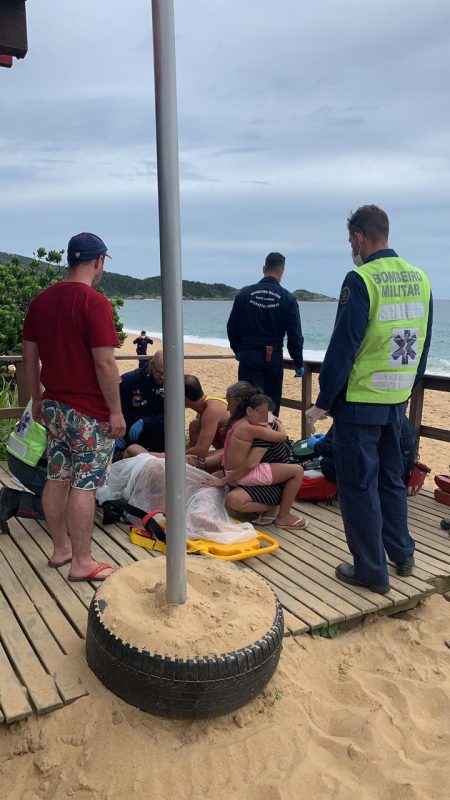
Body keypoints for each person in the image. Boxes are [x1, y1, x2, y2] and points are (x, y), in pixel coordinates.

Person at [305, 205, 433, 594]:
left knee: (359, 487)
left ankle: (371, 571)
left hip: (360, 403)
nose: (351, 249)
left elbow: (344, 346)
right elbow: (423, 343)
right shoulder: (421, 279)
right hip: (397, 401)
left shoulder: (361, 279)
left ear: (359, 236)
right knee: (391, 481)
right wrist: (408, 389)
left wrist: (323, 401)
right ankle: (403, 553)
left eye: (350, 241)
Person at [22, 232, 126, 581]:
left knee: (57, 476)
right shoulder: (94, 303)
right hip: (88, 411)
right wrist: (115, 411)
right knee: (84, 484)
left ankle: (60, 549)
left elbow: (29, 358)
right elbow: (105, 365)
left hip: (53, 404)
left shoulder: (40, 302)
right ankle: (82, 561)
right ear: (98, 262)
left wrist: (37, 399)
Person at [204, 391, 307, 529]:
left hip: (236, 473)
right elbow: (281, 437)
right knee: (298, 470)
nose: (265, 419)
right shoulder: (255, 428)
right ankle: (283, 515)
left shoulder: (239, 422)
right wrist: (278, 423)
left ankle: (273, 508)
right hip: (245, 473)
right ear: (249, 410)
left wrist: (224, 479)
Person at [227, 251, 304, 415]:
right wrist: (298, 362)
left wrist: (238, 350)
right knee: (270, 404)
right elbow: (295, 334)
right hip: (273, 357)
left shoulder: (244, 295)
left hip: (249, 354)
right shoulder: (288, 299)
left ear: (264, 268)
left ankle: (248, 438)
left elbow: (232, 327)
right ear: (282, 270)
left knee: (248, 402)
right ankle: (269, 438)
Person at [0, 401, 47, 533]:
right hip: (32, 463)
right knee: (74, 506)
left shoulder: (47, 383)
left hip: (19, 455)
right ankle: (12, 502)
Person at [118, 350, 165, 452]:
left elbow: (174, 415)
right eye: (160, 373)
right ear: (151, 364)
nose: (163, 377)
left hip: (158, 439)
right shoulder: (130, 380)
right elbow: (112, 405)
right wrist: (115, 432)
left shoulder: (174, 382)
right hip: (129, 438)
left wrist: (145, 422)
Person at [184, 375, 229, 458]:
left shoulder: (211, 410)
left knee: (192, 460)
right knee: (195, 426)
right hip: (226, 451)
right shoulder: (204, 408)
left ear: (184, 398)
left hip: (239, 455)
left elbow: (200, 452)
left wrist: (170, 457)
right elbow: (194, 449)